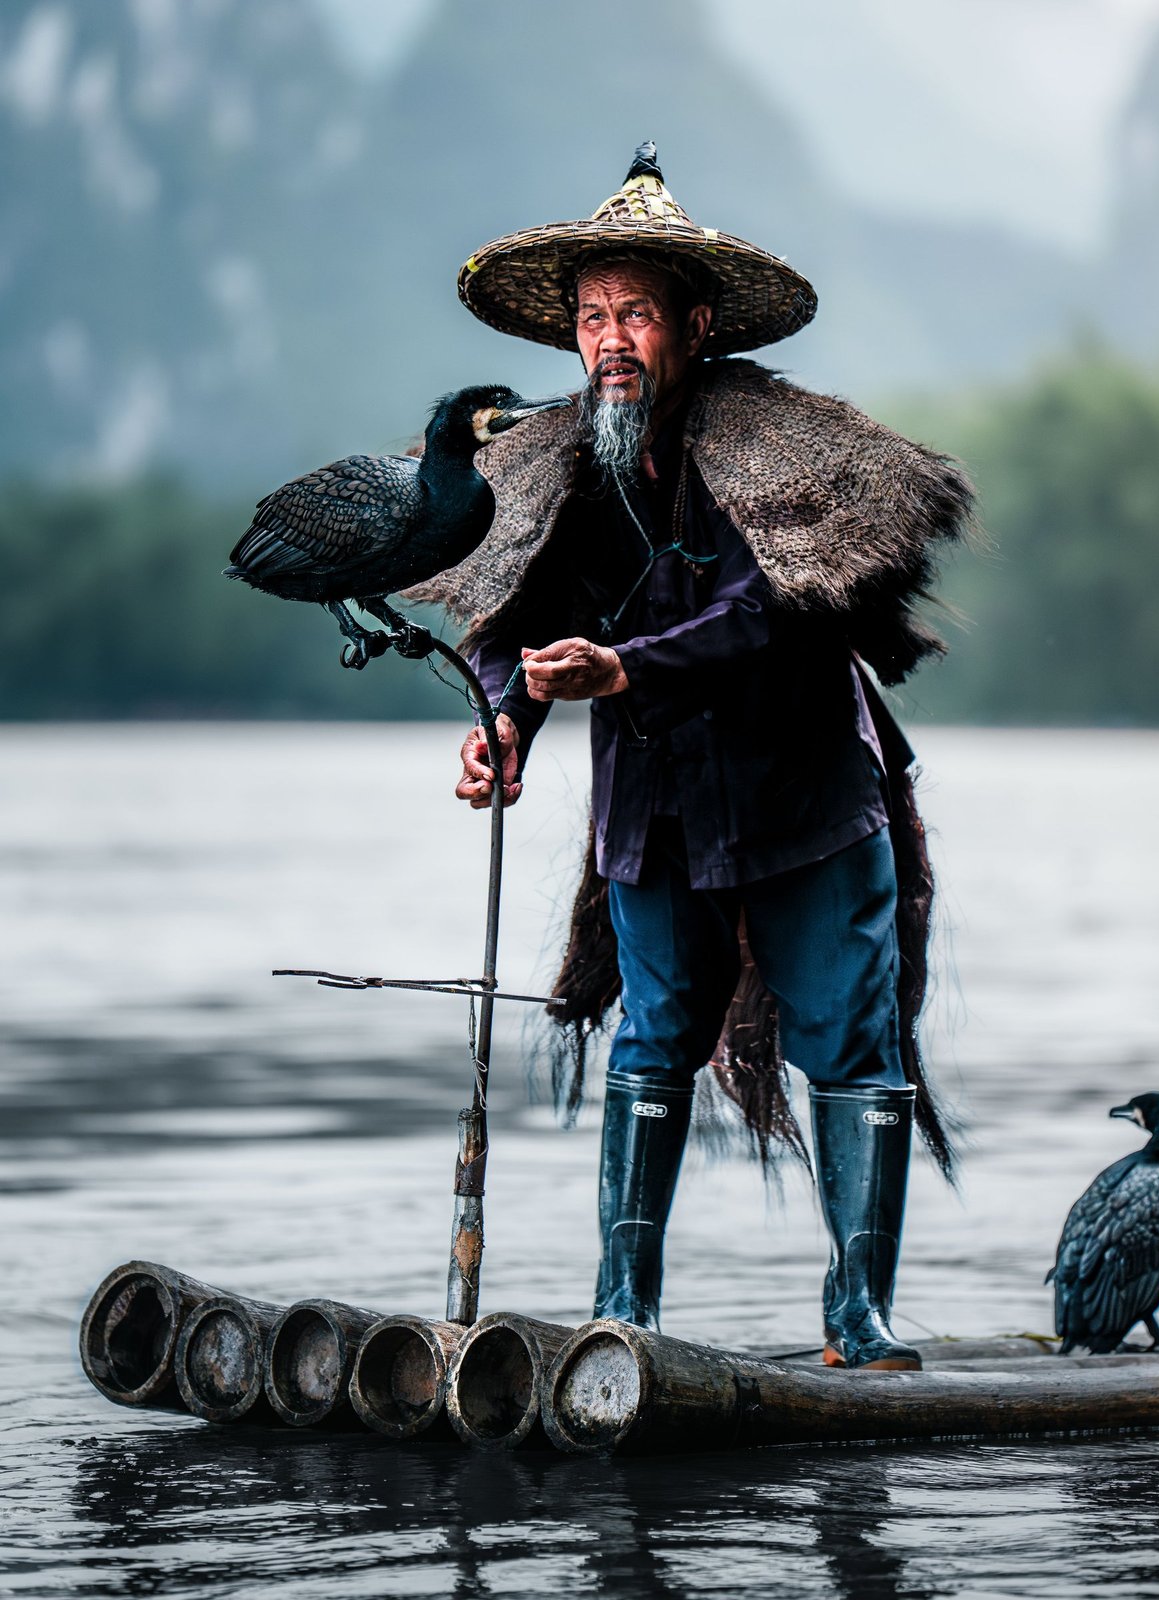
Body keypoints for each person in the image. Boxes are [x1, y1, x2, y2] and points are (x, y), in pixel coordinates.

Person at [412, 143, 972, 1370]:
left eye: (638, 313)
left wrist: (627, 669)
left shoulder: (783, 450)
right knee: (654, 1038)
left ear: (695, 324)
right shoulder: (549, 459)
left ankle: (854, 1320)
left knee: (847, 1040)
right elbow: (508, 616)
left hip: (805, 801)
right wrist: (505, 723)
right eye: (592, 315)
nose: (611, 339)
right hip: (654, 813)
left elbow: (781, 610)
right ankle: (627, 1312)